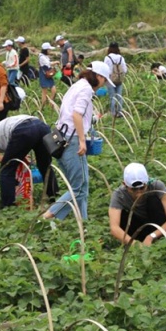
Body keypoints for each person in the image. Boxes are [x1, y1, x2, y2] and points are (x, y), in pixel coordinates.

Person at [42, 61, 112, 221]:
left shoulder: (78, 84)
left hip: (61, 136)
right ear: (99, 77)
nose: (104, 84)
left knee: (81, 187)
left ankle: (83, 223)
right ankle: (47, 217)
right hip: (71, 140)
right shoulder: (86, 89)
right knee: (79, 188)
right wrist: (82, 140)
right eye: (105, 80)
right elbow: (76, 115)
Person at [0, 114, 59, 208]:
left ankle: (8, 206)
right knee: (45, 166)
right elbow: (17, 150)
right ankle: (54, 198)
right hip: (41, 126)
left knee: (6, 169)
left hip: (24, 129)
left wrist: (12, 158)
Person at [108, 162, 166, 246]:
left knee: (153, 201)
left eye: (142, 188)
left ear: (147, 182)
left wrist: (151, 236)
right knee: (123, 215)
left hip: (161, 225)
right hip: (141, 227)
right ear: (124, 185)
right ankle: (140, 242)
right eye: (133, 189)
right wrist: (134, 244)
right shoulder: (119, 195)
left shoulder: (156, 186)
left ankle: (162, 240)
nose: (138, 193)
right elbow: (114, 228)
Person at [104, 42, 128, 118]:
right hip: (119, 79)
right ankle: (120, 112)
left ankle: (113, 113)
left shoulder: (108, 58)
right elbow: (125, 69)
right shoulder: (121, 57)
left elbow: (105, 69)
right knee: (119, 96)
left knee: (112, 96)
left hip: (110, 79)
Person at [38, 42, 58, 110]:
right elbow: (48, 64)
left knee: (54, 90)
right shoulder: (41, 57)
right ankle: (42, 107)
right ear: (46, 50)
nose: (50, 51)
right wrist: (55, 62)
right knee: (44, 92)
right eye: (49, 49)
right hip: (44, 74)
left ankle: (50, 104)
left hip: (49, 74)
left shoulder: (45, 56)